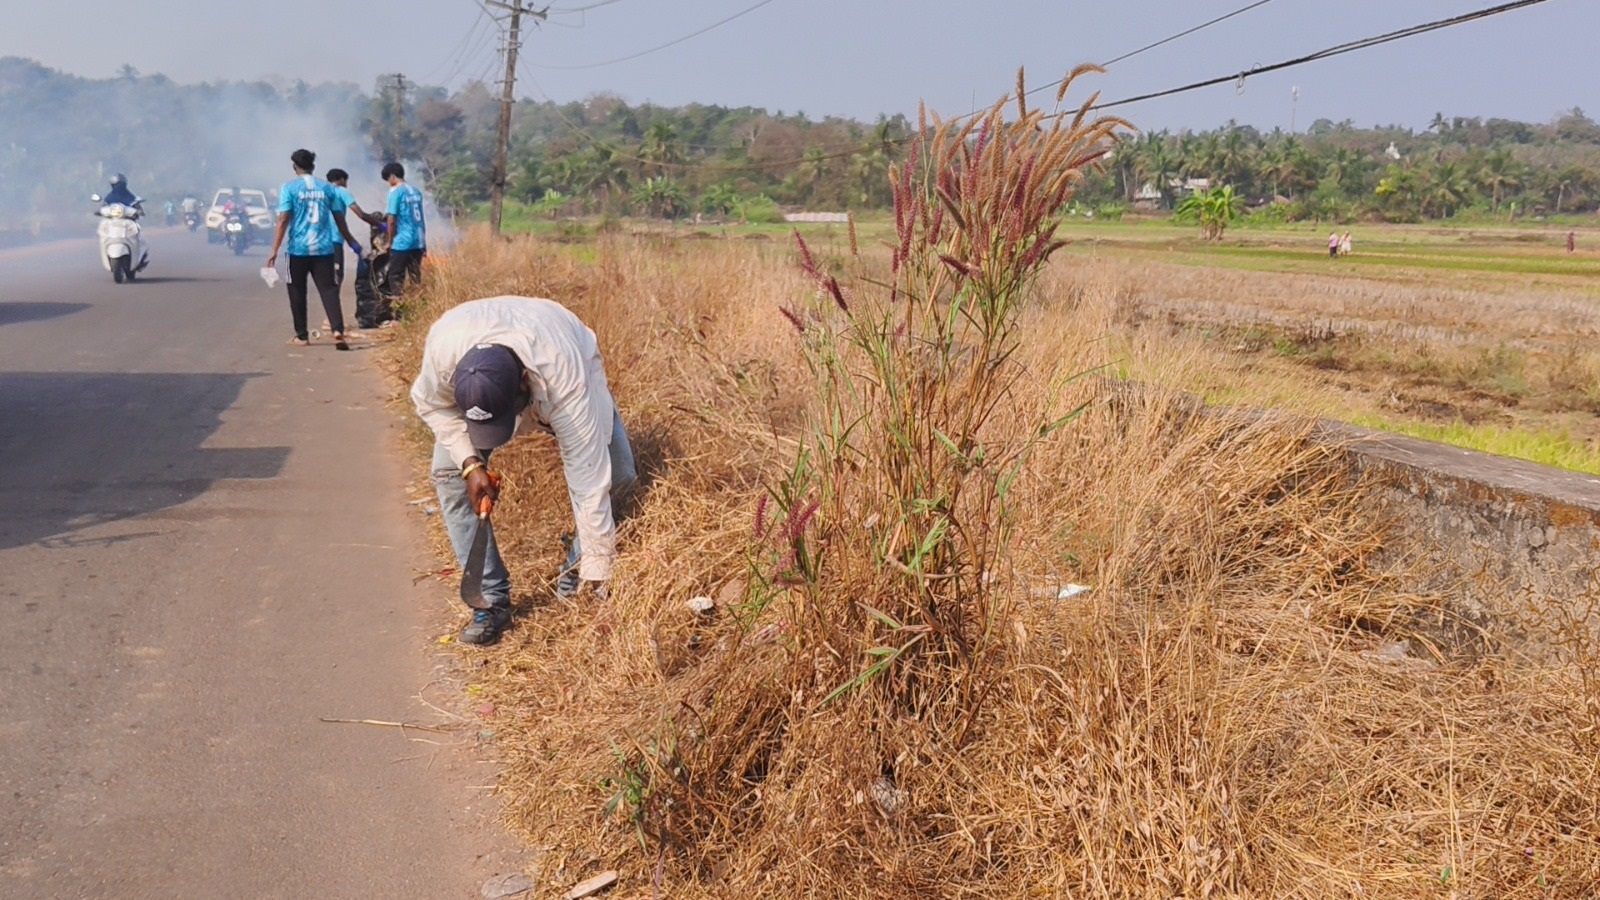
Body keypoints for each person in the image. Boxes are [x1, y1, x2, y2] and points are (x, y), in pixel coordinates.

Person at [411, 296, 637, 645]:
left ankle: (580, 571)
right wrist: (470, 465)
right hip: (484, 363)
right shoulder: (444, 351)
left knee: (619, 476)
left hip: (565, 362)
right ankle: (489, 600)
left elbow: (588, 481)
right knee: (449, 476)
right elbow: (431, 405)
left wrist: (599, 582)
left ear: (522, 383)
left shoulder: (563, 373)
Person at [264, 148, 362, 349]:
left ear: (294, 168)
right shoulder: (327, 189)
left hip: (298, 250)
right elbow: (339, 218)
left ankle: (302, 336)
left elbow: (283, 219)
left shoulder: (289, 188)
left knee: (297, 291)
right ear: (313, 167)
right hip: (324, 249)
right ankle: (337, 331)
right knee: (329, 290)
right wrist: (350, 240)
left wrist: (274, 249)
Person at [324, 168, 385, 331]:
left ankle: (330, 317)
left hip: (320, 241)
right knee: (337, 278)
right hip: (334, 240)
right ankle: (330, 319)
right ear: (342, 179)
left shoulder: (323, 192)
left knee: (329, 278)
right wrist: (380, 224)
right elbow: (360, 214)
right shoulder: (342, 191)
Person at [382, 162, 426, 303]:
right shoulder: (416, 191)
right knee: (415, 276)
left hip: (402, 242)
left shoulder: (396, 192)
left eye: (388, 180)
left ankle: (399, 311)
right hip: (418, 241)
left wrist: (390, 241)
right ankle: (417, 307)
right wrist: (423, 243)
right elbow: (421, 219)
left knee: (395, 276)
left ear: (393, 176)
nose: (389, 184)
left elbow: (392, 219)